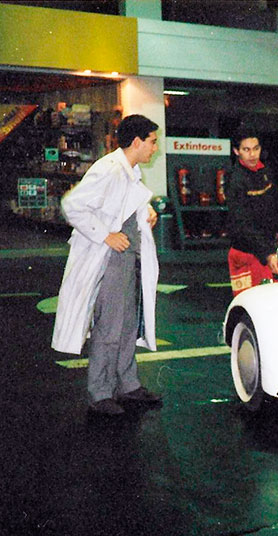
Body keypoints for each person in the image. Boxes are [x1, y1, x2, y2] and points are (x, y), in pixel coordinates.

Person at [51, 114, 163, 416]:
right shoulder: (109, 169)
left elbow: (122, 204)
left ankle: (128, 385)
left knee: (127, 325)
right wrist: (106, 236)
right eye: (152, 142)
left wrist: (146, 211)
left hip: (127, 260)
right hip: (110, 261)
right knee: (110, 328)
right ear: (137, 142)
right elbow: (72, 205)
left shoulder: (130, 171)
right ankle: (100, 393)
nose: (155, 148)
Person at [225, 129, 278, 296]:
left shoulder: (266, 172)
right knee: (250, 301)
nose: (252, 154)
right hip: (245, 254)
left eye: (256, 148)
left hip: (268, 249)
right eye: (246, 150)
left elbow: (276, 206)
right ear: (236, 151)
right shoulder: (235, 180)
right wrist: (267, 253)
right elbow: (242, 224)